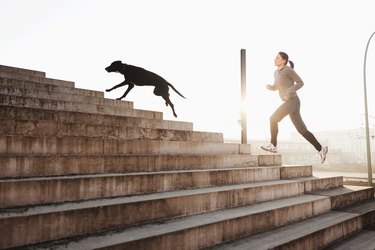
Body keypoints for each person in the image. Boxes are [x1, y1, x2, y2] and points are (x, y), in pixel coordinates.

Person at [261, 52, 328, 164]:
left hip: (293, 101)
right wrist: (270, 87)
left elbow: (300, 83)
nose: (275, 59)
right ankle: (321, 149)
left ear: (284, 60)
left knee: (273, 119)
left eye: (277, 58)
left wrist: (289, 90)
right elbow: (276, 86)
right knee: (302, 130)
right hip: (291, 103)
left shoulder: (288, 70)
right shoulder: (276, 73)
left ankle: (273, 145)